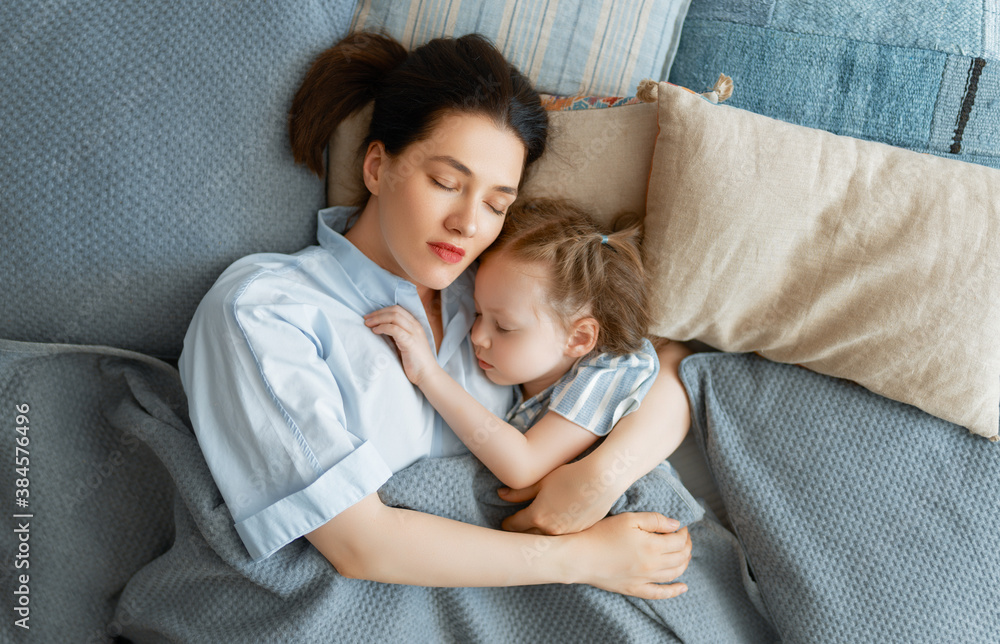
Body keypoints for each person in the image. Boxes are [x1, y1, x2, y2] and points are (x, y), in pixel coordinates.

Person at [178, 31, 693, 599]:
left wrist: (598, 478)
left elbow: (663, 365)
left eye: (498, 204)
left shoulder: (499, 291)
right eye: (447, 183)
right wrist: (582, 555)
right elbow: (359, 545)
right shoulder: (266, 309)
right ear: (376, 167)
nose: (469, 224)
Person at [364, 199, 682, 497]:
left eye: (503, 327)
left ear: (579, 339)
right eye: (478, 314)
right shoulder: (524, 386)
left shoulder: (607, 373)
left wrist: (429, 373)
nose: (476, 336)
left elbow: (522, 466)